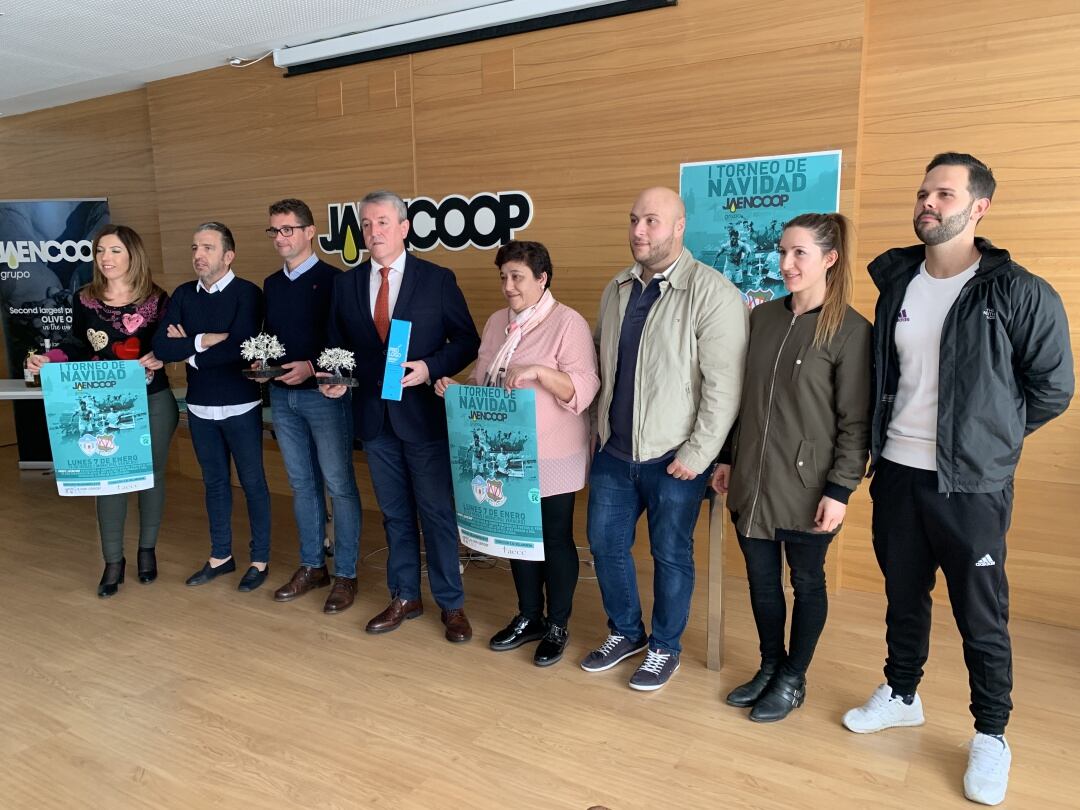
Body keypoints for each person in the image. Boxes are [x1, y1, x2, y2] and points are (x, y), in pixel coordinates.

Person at [841, 153, 1073, 806]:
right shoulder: (897, 285)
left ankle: (992, 734)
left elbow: (1054, 388)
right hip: (896, 476)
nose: (928, 202)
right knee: (903, 593)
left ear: (979, 207)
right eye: (923, 191)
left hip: (972, 486)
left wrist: (985, 441)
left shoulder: (1019, 292)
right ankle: (902, 693)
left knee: (982, 615)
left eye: (944, 192)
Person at [582, 187, 748, 691]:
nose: (638, 231)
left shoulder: (712, 291)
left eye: (652, 221)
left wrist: (698, 454)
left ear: (679, 227)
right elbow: (606, 368)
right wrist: (596, 430)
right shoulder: (617, 289)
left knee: (671, 554)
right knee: (605, 545)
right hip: (615, 451)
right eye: (634, 220)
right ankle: (626, 632)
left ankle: (664, 647)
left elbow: (724, 385)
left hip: (675, 457)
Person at [711, 213, 871, 722]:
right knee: (760, 583)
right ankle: (769, 665)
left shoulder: (850, 330)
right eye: (782, 252)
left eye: (799, 253)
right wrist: (728, 459)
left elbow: (856, 423)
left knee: (806, 582)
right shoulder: (762, 319)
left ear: (829, 259)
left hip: (809, 488)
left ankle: (793, 677)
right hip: (753, 482)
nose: (785, 263)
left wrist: (841, 490)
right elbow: (744, 402)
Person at [320, 191, 480, 643]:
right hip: (373, 420)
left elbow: (466, 340)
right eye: (367, 225)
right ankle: (405, 594)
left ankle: (451, 604)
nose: (374, 232)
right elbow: (338, 348)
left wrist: (430, 367)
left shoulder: (437, 279)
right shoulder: (346, 285)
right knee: (394, 515)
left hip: (424, 417)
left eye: (384, 223)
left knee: (437, 513)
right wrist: (335, 377)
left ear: (405, 228)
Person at [434, 240, 599, 666]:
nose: (508, 286)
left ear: (543, 279)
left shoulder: (568, 323)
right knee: (519, 539)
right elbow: (484, 378)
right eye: (503, 277)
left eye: (517, 277)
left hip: (554, 451)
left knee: (555, 538)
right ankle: (530, 616)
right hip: (507, 454)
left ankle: (558, 624)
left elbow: (584, 388)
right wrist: (457, 389)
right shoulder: (495, 323)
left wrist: (541, 373)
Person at [26, 225, 178, 597]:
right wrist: (49, 359)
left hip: (153, 401)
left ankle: (147, 551)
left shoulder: (159, 299)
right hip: (101, 406)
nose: (106, 259)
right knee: (108, 478)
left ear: (133, 256)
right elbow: (75, 345)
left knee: (151, 476)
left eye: (114, 251)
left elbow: (173, 344)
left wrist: (161, 355)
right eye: (100, 252)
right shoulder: (84, 298)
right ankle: (113, 561)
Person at [153, 222, 272, 592]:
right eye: (194, 248)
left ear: (228, 255)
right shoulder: (184, 295)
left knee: (253, 483)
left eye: (207, 248)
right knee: (215, 484)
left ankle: (260, 558)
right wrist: (205, 339)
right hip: (200, 407)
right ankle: (221, 555)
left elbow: (242, 347)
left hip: (241, 405)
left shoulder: (247, 294)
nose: (198, 256)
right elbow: (162, 347)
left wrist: (189, 347)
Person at [258, 199, 363, 614]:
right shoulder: (271, 284)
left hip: (325, 398)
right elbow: (272, 338)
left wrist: (314, 368)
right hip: (283, 398)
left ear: (309, 232)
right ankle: (312, 565)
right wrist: (263, 366)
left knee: (339, 485)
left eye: (288, 230)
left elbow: (349, 341)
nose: (280, 238)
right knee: (302, 484)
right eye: (274, 231)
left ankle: (347, 574)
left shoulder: (336, 281)